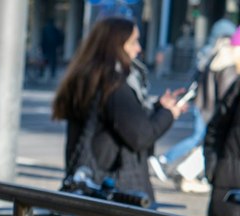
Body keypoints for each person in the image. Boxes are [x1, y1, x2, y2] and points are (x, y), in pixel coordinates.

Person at [52, 17, 181, 203]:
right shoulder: (113, 84)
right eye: (133, 42)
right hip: (115, 189)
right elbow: (140, 136)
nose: (138, 49)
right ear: (116, 45)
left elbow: (123, 119)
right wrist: (169, 114)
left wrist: (158, 107)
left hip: (93, 182)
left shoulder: (89, 76)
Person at [158, 17, 236, 192]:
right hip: (210, 109)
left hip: (204, 106)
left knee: (201, 140)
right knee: (200, 140)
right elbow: (226, 98)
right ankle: (172, 163)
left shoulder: (213, 56)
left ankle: (182, 170)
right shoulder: (228, 65)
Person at [205, 28, 240, 216]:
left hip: (228, 178)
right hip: (229, 183)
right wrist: (213, 169)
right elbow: (216, 127)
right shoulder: (237, 84)